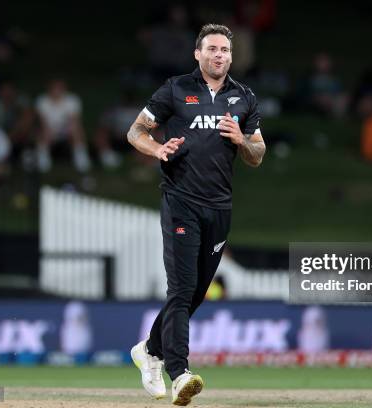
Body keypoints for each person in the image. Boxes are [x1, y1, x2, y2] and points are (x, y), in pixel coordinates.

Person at [127, 24, 265, 405]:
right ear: (198, 54)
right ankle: (179, 372)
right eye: (212, 49)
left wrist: (241, 141)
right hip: (181, 201)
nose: (219, 55)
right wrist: (155, 149)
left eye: (224, 50)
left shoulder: (244, 97)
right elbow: (135, 131)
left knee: (197, 294)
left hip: (219, 208)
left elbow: (257, 154)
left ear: (231, 57)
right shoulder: (175, 89)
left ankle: (149, 350)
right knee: (182, 288)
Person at [35, 79, 91, 173]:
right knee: (42, 131)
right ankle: (43, 160)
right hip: (49, 129)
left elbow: (74, 120)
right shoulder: (42, 101)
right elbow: (42, 122)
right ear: (49, 89)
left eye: (60, 88)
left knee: (76, 129)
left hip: (66, 129)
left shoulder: (72, 100)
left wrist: (69, 130)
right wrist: (50, 131)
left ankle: (81, 158)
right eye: (54, 88)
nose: (57, 91)